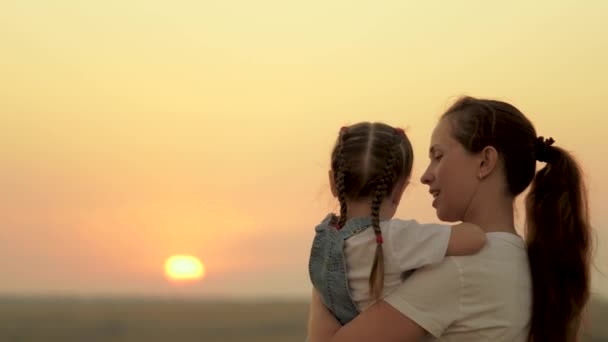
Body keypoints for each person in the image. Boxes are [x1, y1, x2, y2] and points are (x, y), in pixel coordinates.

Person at [308, 97, 591, 342]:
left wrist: (333, 257)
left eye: (438, 156)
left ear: (485, 162)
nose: (425, 175)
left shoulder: (463, 266)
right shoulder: (515, 256)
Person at [309, 122, 487, 326]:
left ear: (333, 182)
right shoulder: (396, 239)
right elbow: (476, 238)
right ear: (400, 189)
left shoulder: (324, 240)